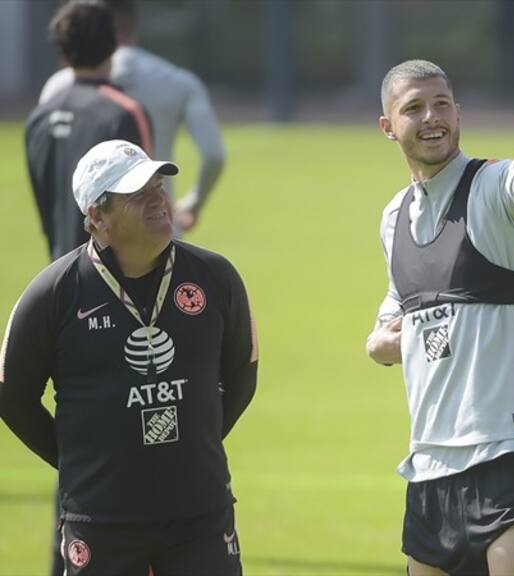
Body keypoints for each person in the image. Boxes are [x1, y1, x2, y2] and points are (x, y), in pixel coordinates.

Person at [366, 60, 514, 576]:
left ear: (458, 112)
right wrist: (380, 340)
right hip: (430, 467)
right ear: (388, 126)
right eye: (413, 108)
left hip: (512, 456)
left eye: (441, 103)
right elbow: (399, 301)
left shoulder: (492, 188)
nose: (431, 117)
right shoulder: (394, 216)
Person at [0, 139, 258, 575]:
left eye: (158, 186)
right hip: (101, 521)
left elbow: (241, 376)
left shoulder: (215, 277)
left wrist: (197, 442)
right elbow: (12, 396)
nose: (158, 198)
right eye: (138, 194)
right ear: (96, 216)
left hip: (200, 513)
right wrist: (78, 460)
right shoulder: (53, 294)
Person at [40, 0, 226, 232]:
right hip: (152, 233)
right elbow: (214, 155)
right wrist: (193, 204)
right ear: (134, 24)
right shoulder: (179, 82)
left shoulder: (58, 88)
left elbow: (43, 164)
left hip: (77, 236)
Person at [26, 0, 153, 261]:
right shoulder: (125, 112)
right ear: (114, 43)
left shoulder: (39, 117)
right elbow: (146, 200)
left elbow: (45, 212)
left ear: (61, 51)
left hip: (60, 275)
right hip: (115, 282)